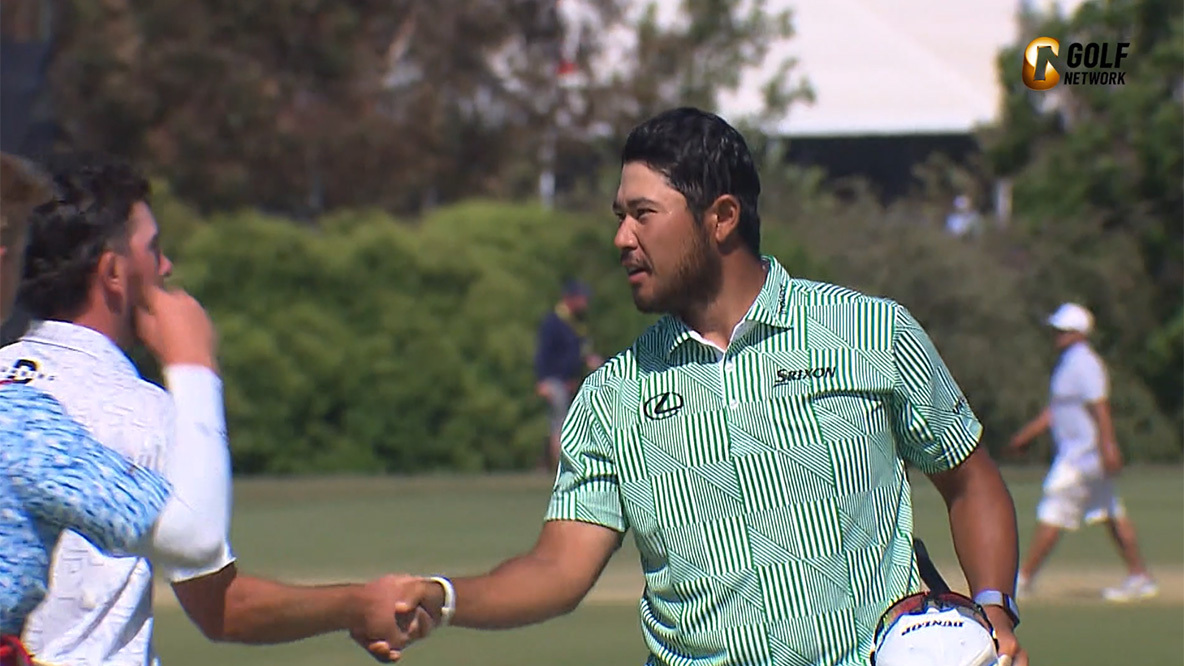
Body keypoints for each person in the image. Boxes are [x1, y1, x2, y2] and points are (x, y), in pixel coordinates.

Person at [382, 107, 1027, 666]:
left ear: (721, 218)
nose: (621, 238)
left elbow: (972, 484)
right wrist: (446, 598)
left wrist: (993, 611)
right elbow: (557, 569)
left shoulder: (869, 330)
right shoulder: (611, 394)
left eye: (643, 214)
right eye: (620, 216)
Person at [1, 153, 428, 665]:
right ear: (113, 272)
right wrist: (194, 366)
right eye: (153, 249)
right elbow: (221, 606)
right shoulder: (139, 411)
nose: (166, 267)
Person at [1008, 302, 1158, 603]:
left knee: (1054, 508)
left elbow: (1099, 407)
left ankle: (1022, 579)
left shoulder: (1085, 364)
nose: (1057, 335)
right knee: (1110, 513)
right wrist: (1026, 435)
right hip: (1082, 454)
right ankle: (1139, 576)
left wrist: (1108, 446)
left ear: (1079, 333)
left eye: (1063, 330)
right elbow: (1057, 411)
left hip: (1083, 455)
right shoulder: (1068, 364)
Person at [534, 278, 602, 470]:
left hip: (570, 382)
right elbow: (543, 353)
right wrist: (542, 381)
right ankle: (559, 465)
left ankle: (557, 462)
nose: (585, 303)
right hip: (554, 380)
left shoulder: (578, 323)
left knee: (569, 422)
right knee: (560, 423)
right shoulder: (554, 322)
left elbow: (580, 352)